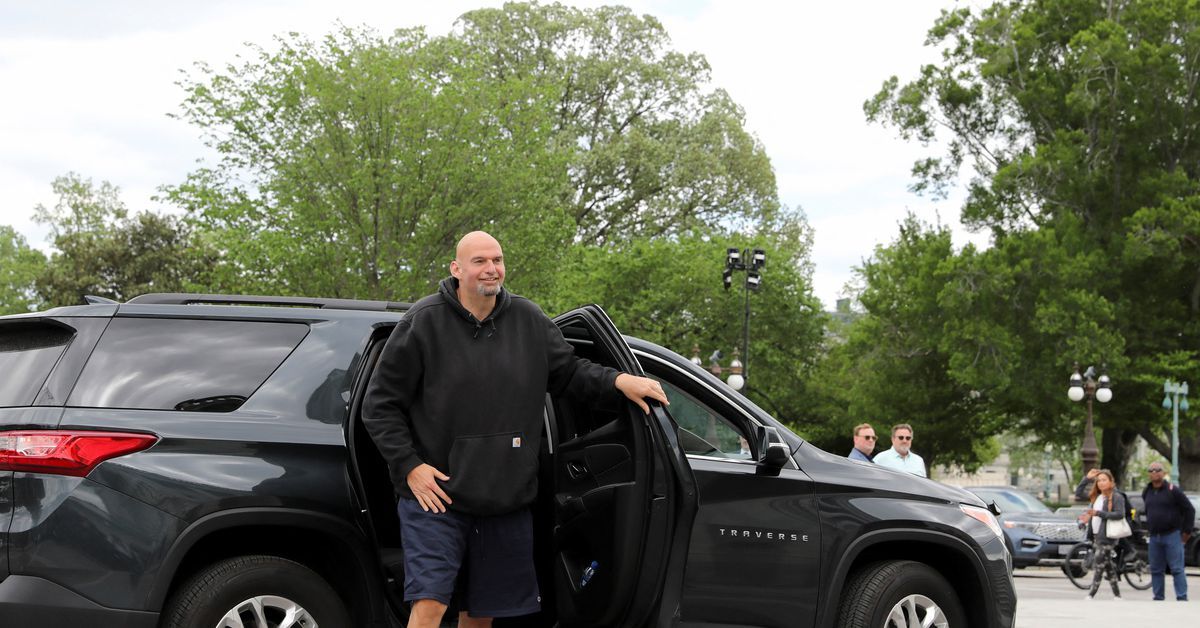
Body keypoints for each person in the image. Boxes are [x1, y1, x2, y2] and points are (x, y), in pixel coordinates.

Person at [362, 231, 669, 628]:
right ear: (457, 269)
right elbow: (379, 405)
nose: (491, 269)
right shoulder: (423, 322)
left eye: (497, 260)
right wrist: (409, 467)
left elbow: (571, 373)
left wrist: (618, 382)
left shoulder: (528, 319)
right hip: (437, 498)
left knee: (484, 611)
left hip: (504, 500)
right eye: (480, 261)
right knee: (430, 605)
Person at [1142, 462, 1195, 601]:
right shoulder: (1147, 491)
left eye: (1158, 470)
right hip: (1154, 537)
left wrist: (1186, 532)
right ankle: (1158, 597)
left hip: (1172, 535)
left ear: (1163, 472)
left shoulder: (1173, 490)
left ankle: (1181, 597)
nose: (1154, 472)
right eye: (1151, 470)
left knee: (1177, 569)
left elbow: (1189, 510)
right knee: (1156, 570)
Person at [1084, 469, 1126, 599]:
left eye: (1104, 480)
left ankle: (1091, 594)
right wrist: (1086, 479)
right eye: (1099, 481)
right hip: (1097, 535)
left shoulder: (1116, 496)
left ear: (1111, 482)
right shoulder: (1097, 496)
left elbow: (1120, 514)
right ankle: (1117, 595)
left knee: (1099, 563)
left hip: (1108, 536)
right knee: (1108, 566)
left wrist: (1099, 513)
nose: (1101, 483)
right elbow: (1079, 493)